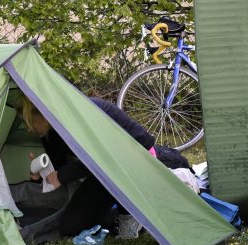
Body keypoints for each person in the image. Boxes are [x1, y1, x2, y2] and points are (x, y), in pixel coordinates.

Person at [16, 96, 190, 236]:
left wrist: (61, 176)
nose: (27, 129)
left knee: (129, 220)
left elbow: (99, 157)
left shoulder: (80, 113)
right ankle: (122, 215)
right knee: (71, 228)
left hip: (135, 161)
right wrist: (41, 174)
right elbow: (60, 169)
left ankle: (139, 207)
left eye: (28, 122)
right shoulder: (49, 133)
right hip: (103, 174)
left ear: (42, 115)